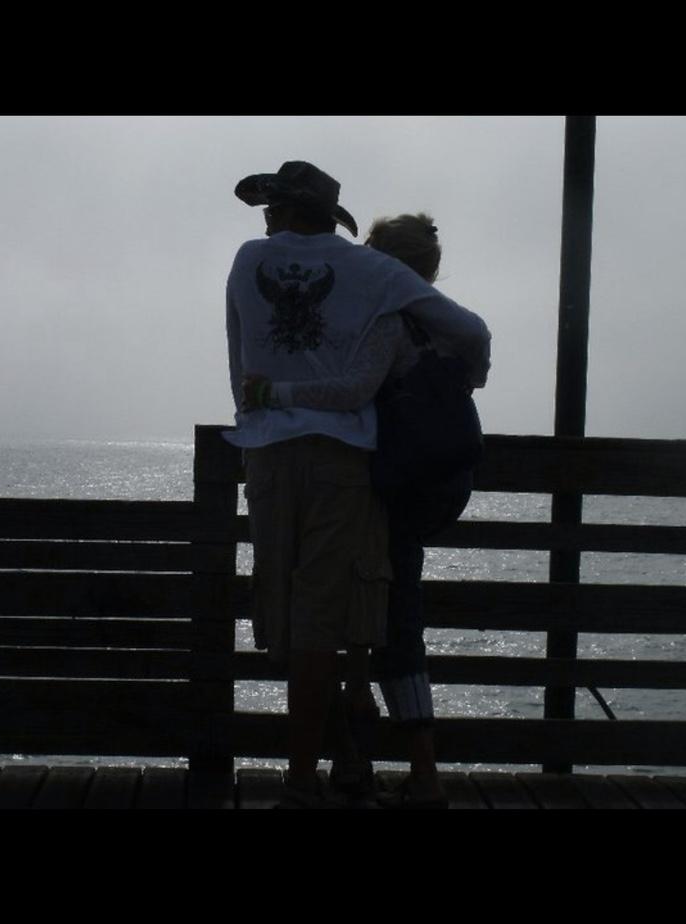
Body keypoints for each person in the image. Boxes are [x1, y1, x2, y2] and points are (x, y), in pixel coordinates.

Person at [226, 162, 489, 807]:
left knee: (285, 615)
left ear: (286, 209)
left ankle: (324, 767)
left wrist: (263, 401)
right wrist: (473, 375)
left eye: (270, 204)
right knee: (331, 620)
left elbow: (239, 358)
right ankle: (313, 774)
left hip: (268, 453)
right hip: (349, 463)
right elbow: (472, 332)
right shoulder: (372, 272)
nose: (265, 215)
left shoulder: (248, 258)